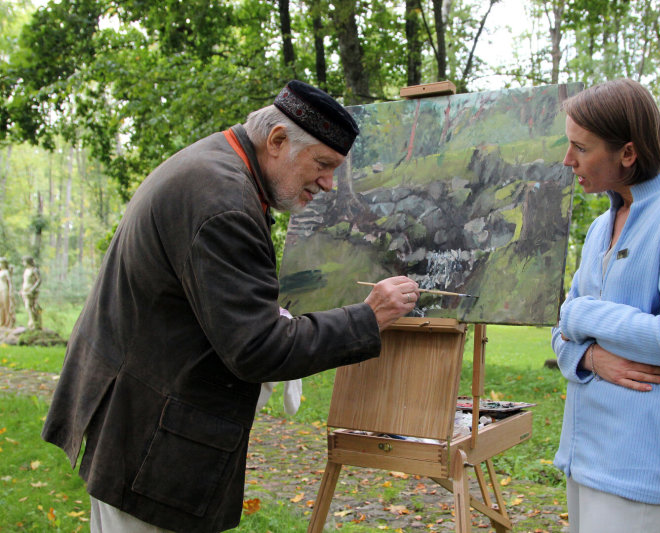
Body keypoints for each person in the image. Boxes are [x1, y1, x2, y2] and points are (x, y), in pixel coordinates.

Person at [42, 80, 420, 533]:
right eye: (322, 164)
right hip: (148, 437)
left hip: (135, 419)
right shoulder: (223, 200)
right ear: (278, 140)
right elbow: (257, 348)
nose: (328, 183)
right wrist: (369, 315)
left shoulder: (218, 166)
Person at [550, 79, 660, 533]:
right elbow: (562, 335)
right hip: (582, 452)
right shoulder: (598, 229)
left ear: (627, 153)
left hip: (637, 464)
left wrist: (582, 315)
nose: (568, 160)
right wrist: (590, 356)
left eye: (581, 148)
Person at [20, 256, 42, 330]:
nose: (23, 263)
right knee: (28, 307)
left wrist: (32, 289)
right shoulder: (26, 270)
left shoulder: (34, 270)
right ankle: (31, 322)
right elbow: (25, 281)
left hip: (31, 290)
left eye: (24, 261)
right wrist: (22, 289)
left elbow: (39, 280)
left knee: (32, 307)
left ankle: (35, 324)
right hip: (25, 290)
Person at [0, 257, 14, 328]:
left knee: (6, 306)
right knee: (1, 306)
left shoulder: (6, 271)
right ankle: (2, 322)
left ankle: (8, 323)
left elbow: (10, 282)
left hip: (4, 289)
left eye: (1, 263)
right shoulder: (0, 271)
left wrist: (11, 291)